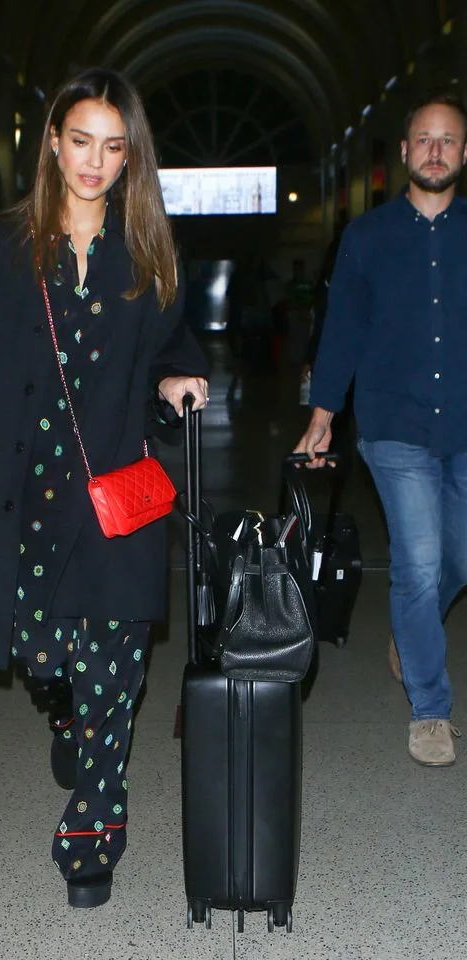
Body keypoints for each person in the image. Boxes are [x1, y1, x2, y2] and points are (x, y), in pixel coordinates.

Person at [0, 67, 209, 908]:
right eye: (81, 141)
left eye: (113, 148)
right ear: (52, 142)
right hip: (26, 491)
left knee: (115, 670)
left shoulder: (147, 249)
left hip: (114, 493)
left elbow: (175, 344)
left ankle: (95, 823)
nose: (94, 162)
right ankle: (61, 703)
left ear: (132, 159)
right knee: (46, 654)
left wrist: (177, 381)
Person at [295, 90, 467, 768]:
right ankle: (431, 708)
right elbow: (343, 330)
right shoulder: (366, 238)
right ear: (403, 152)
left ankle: (411, 627)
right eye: (423, 138)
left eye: (447, 139)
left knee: (452, 560)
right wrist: (323, 413)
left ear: (463, 152)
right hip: (393, 423)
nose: (434, 149)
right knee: (419, 562)